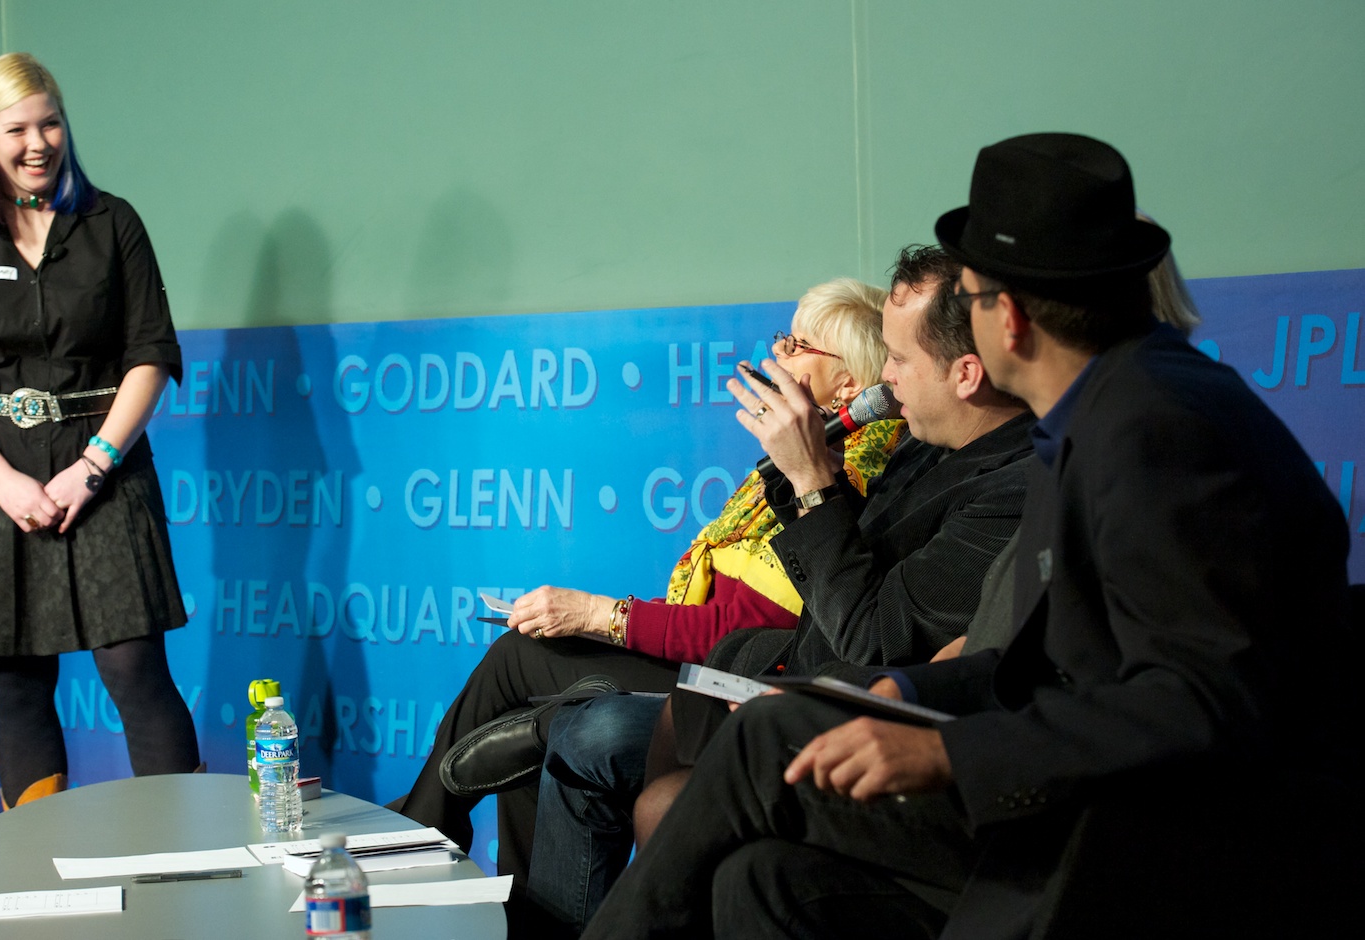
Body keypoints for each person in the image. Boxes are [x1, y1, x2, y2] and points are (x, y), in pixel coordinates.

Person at [580, 133, 1354, 940]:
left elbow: (1203, 704)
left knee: (765, 741)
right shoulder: (1107, 411)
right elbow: (1053, 657)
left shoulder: (1157, 433)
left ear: (1007, 321)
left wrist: (951, 754)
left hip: (1160, 841)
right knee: (765, 881)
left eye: (972, 300)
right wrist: (904, 693)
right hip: (1087, 797)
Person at [522, 245, 1037, 936]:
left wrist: (816, 483)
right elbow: (837, 583)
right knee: (669, 709)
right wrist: (805, 465)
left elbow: (874, 639)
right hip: (801, 677)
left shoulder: (1012, 487)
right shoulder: (925, 440)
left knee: (658, 785)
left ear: (966, 374)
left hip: (877, 724)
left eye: (898, 359)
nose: (886, 378)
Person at [387, 277, 905, 896]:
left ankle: (421, 834)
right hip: (714, 664)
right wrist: (597, 619)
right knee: (521, 661)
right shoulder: (799, 461)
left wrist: (598, 615)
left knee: (525, 675)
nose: (776, 355)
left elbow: (736, 632)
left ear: (847, 384)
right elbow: (710, 608)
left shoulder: (841, 477)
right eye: (782, 338)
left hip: (741, 683)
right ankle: (480, 873)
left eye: (798, 347)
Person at [0, 53, 200, 809]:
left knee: (135, 669)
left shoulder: (113, 223)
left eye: (50, 123)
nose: (38, 143)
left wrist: (94, 465)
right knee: (18, 682)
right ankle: (33, 862)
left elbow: (151, 354)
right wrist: (4, 482)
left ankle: (186, 850)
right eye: (17, 129)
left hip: (105, 474)